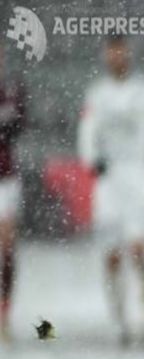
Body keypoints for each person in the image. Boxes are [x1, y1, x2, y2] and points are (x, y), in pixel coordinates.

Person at [77, 34, 144, 346]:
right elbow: (87, 130)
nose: (117, 58)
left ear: (128, 55)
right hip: (109, 179)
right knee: (112, 256)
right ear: (106, 56)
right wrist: (91, 159)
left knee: (139, 250)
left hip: (137, 174)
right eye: (112, 53)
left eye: (121, 52)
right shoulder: (98, 94)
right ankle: (120, 322)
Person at [0, 49, 26, 343]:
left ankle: (4, 312)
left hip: (5, 179)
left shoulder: (13, 89)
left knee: (6, 248)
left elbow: (16, 127)